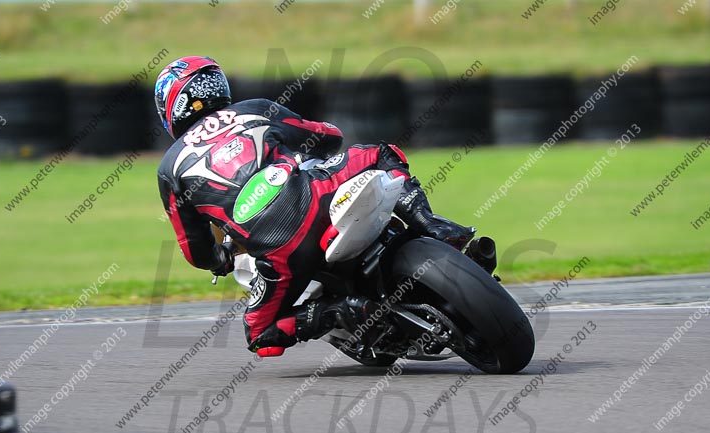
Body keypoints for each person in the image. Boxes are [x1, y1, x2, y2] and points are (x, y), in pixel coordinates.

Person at [155, 56, 475, 357]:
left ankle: (339, 310)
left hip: (281, 253)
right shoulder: (253, 109)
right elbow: (328, 136)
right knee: (382, 154)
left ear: (172, 107)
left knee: (260, 335)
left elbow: (193, 248)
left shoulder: (170, 168)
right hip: (319, 193)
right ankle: (434, 227)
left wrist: (220, 259)